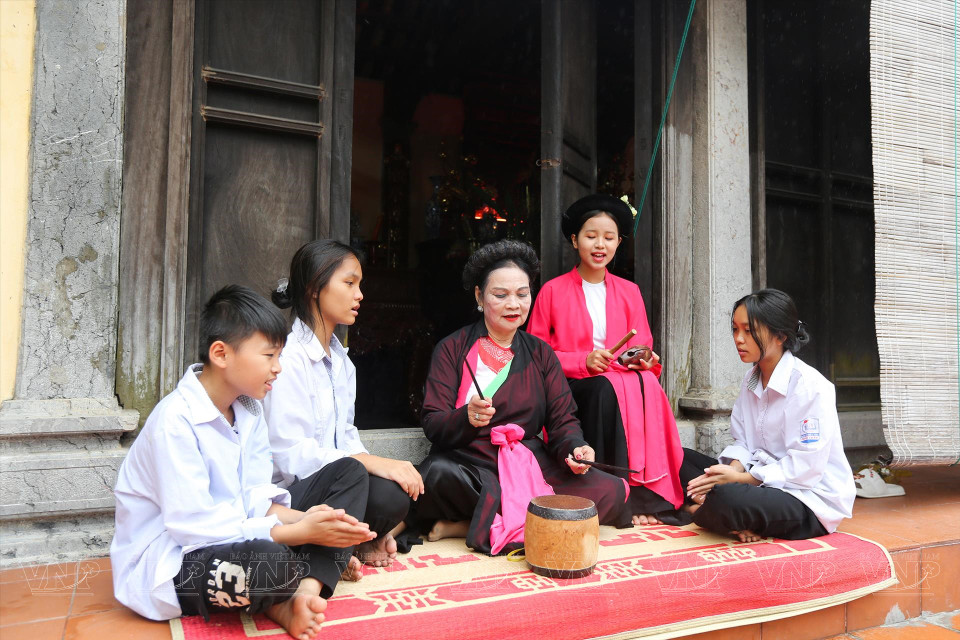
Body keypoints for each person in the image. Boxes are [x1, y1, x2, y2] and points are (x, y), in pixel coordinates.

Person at [110, 285, 375, 640]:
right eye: (269, 356)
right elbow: (193, 528)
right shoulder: (174, 421)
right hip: (174, 564)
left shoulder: (248, 411)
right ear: (221, 353)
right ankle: (300, 581)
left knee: (351, 473)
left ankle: (306, 590)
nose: (278, 368)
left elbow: (255, 498)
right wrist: (300, 534)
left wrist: (314, 522)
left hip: (243, 534)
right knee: (271, 564)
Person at [410, 239, 631, 555]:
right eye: (500, 295)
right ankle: (498, 518)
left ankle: (471, 523)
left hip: (529, 461)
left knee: (609, 490)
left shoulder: (541, 353)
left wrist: (573, 448)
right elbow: (433, 421)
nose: (513, 304)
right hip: (470, 461)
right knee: (434, 475)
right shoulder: (452, 348)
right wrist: (465, 417)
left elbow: (563, 420)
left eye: (522, 294)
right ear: (479, 297)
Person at [265, 239, 423, 570]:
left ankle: (351, 542)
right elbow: (290, 455)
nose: (359, 295)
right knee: (357, 472)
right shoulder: (289, 359)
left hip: (340, 483)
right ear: (314, 288)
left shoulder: (342, 362)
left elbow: (346, 434)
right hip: (293, 494)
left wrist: (372, 464)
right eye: (349, 283)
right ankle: (332, 551)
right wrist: (367, 463)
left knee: (393, 494)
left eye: (359, 284)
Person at [527, 194, 684, 526]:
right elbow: (535, 354)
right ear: (574, 240)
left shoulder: (629, 291)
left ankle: (649, 493)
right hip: (571, 387)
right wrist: (582, 361)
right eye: (591, 235)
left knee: (647, 382)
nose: (600, 244)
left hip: (619, 380)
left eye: (609, 237)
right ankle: (618, 492)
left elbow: (641, 346)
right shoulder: (552, 291)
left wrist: (644, 359)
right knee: (605, 387)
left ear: (618, 243)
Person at [683, 289, 856, 542]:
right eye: (735, 329)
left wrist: (738, 481)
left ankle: (695, 510)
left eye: (749, 331)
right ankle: (721, 514)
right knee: (677, 457)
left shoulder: (810, 387)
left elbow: (805, 469)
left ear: (780, 335)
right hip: (758, 480)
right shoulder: (751, 379)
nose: (739, 339)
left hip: (806, 499)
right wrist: (730, 472)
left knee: (728, 498)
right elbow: (743, 443)